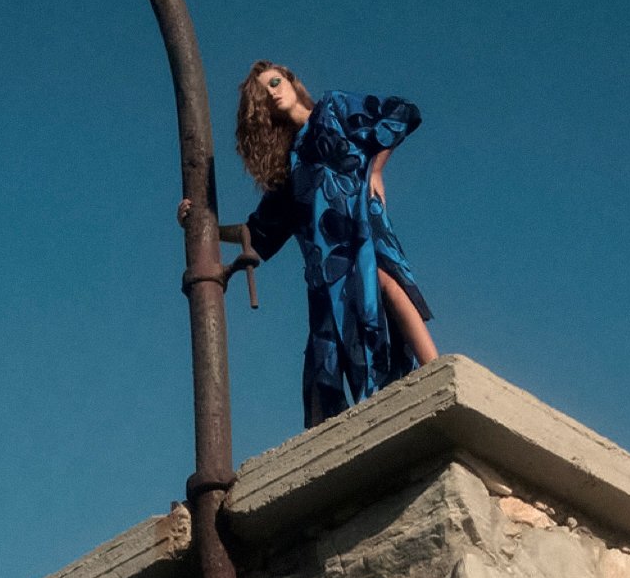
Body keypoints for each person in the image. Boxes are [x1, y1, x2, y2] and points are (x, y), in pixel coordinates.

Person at [179, 61, 438, 427]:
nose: (271, 92)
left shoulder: (333, 108)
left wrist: (376, 168)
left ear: (290, 80)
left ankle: (438, 371)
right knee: (325, 357)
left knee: (384, 282)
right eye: (262, 95)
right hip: (326, 268)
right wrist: (202, 224)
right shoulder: (290, 168)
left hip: (362, 227)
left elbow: (400, 114)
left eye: (274, 82)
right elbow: (258, 232)